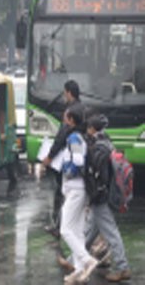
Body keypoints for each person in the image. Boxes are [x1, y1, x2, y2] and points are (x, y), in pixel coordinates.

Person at [84, 114, 131, 282]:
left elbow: (96, 174)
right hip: (107, 193)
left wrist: (93, 195)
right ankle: (74, 261)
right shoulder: (107, 143)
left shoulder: (99, 147)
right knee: (90, 231)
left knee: (111, 233)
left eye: (88, 128)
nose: (87, 131)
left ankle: (122, 267)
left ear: (92, 129)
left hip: (101, 196)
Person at [59, 105, 98, 284]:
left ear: (72, 120)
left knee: (65, 229)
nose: (63, 120)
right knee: (77, 231)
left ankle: (87, 260)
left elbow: (77, 160)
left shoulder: (74, 137)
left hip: (74, 188)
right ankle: (79, 271)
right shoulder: (81, 137)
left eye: (66, 117)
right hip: (80, 189)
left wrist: (67, 170)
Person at [42, 80, 85, 238]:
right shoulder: (82, 108)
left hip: (67, 163)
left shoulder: (71, 112)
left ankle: (60, 226)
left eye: (64, 93)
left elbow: (61, 136)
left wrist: (50, 156)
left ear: (68, 92)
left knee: (62, 193)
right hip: (75, 164)